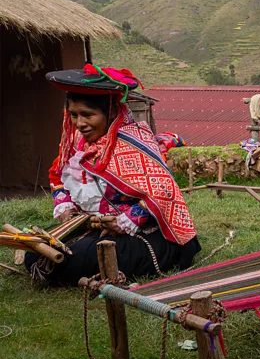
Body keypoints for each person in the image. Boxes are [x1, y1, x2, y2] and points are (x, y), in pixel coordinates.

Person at [25, 64, 200, 285]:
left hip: (145, 234)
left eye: (88, 115)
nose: (80, 124)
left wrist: (127, 220)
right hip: (94, 226)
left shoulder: (132, 144)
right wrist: (65, 204)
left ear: (112, 112)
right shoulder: (79, 144)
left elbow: (165, 192)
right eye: (74, 115)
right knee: (36, 248)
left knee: (73, 258)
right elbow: (57, 176)